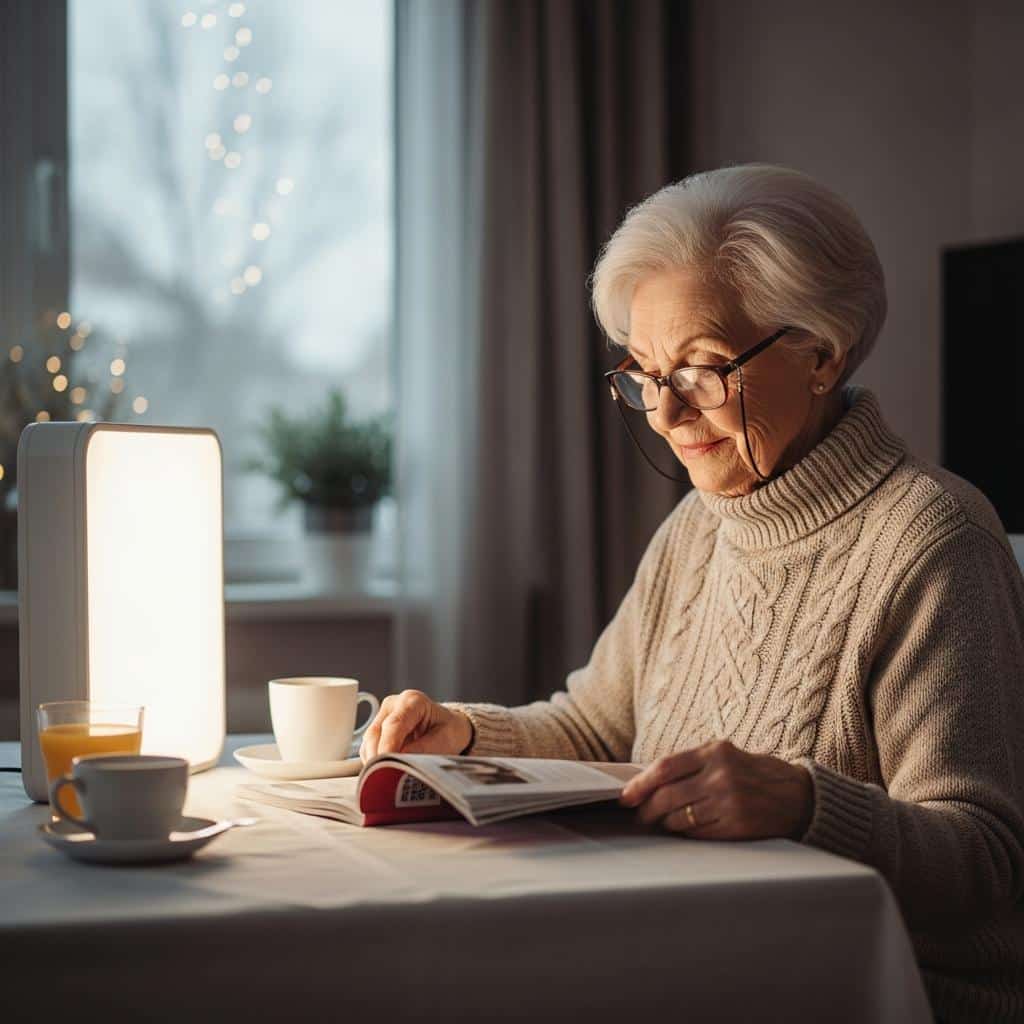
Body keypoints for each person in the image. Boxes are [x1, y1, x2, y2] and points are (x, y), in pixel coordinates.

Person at [362, 165, 1024, 1022]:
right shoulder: (702, 524)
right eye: (643, 373)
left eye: (702, 370)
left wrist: (807, 804)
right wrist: (464, 733)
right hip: (696, 954)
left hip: (882, 993)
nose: (666, 415)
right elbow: (599, 727)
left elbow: (984, 861)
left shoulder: (933, 541)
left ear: (822, 352)